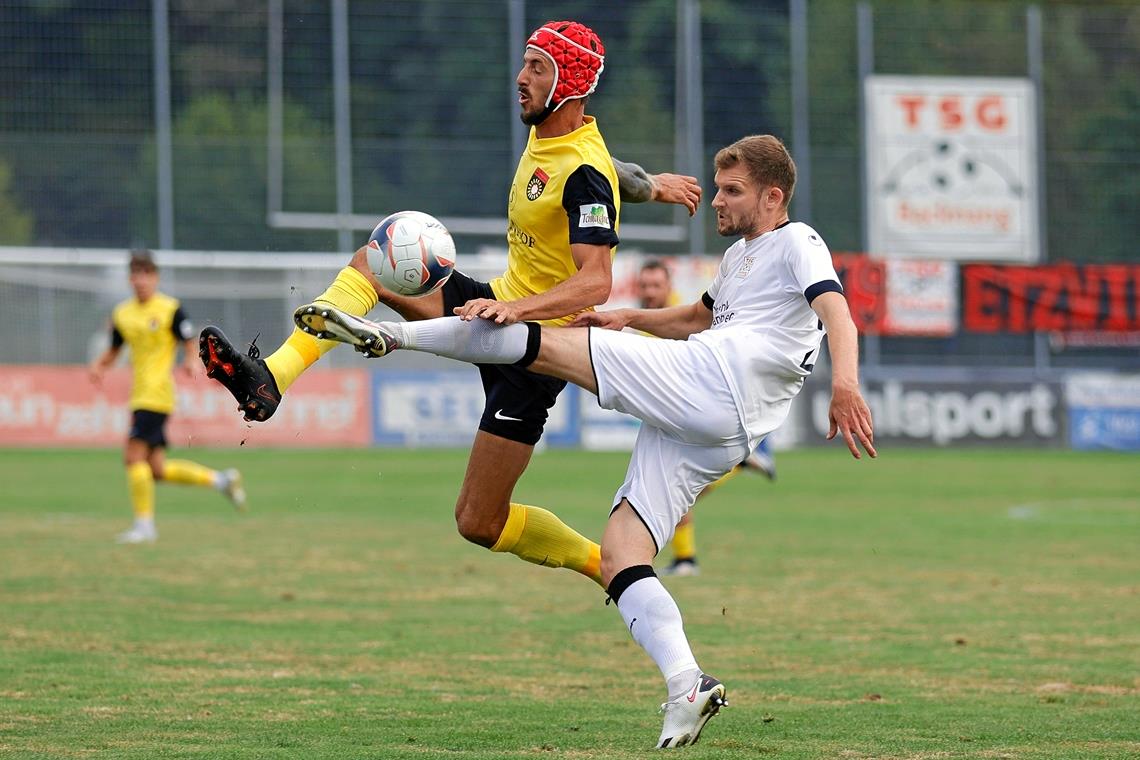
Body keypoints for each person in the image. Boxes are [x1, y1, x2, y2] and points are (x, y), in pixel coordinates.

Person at [295, 134, 877, 748]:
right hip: (725, 428)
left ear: (773, 196)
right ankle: (686, 685)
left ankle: (388, 338)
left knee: (531, 336)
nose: (718, 201)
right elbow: (697, 319)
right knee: (623, 551)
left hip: (716, 382)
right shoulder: (737, 261)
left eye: (733, 191)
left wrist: (845, 384)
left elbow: (837, 310)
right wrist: (628, 318)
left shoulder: (797, 240)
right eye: (719, 188)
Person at [199, 21, 701, 587]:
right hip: (492, 308)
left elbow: (596, 282)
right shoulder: (561, 139)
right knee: (375, 259)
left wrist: (519, 312)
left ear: (570, 86)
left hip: (537, 352)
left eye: (538, 68)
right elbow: (616, 174)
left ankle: (608, 567)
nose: (521, 77)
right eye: (525, 62)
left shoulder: (583, 171)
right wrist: (653, 185)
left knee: (478, 521)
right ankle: (269, 381)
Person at [88, 251, 245, 544]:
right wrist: (99, 364)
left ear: (155, 277)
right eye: (135, 274)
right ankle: (222, 481)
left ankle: (144, 527)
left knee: (132, 457)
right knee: (156, 470)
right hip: (141, 394)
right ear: (130, 278)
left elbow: (188, 341)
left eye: (146, 274)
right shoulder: (123, 313)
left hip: (156, 394)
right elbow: (115, 349)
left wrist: (189, 360)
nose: (140, 280)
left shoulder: (171, 309)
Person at [635, 259, 777, 577]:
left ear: (669, 286)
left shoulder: (681, 320)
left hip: (692, 418)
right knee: (673, 492)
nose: (649, 292)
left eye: (656, 285)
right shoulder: (646, 320)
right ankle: (685, 559)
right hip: (671, 420)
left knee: (669, 491)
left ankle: (680, 559)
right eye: (645, 285)